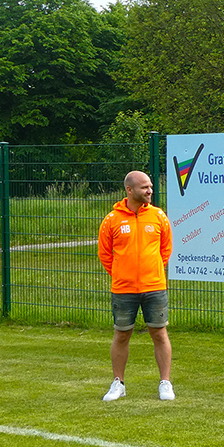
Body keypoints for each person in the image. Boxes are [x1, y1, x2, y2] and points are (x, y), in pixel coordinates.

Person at [97, 171, 175, 401]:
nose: (150, 191)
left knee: (159, 333)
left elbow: (165, 250)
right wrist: (123, 272)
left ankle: (165, 383)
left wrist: (152, 272)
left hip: (155, 287)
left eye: (150, 186)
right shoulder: (112, 219)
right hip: (123, 289)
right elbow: (105, 254)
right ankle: (118, 383)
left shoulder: (159, 217)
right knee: (121, 335)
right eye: (144, 187)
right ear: (129, 190)